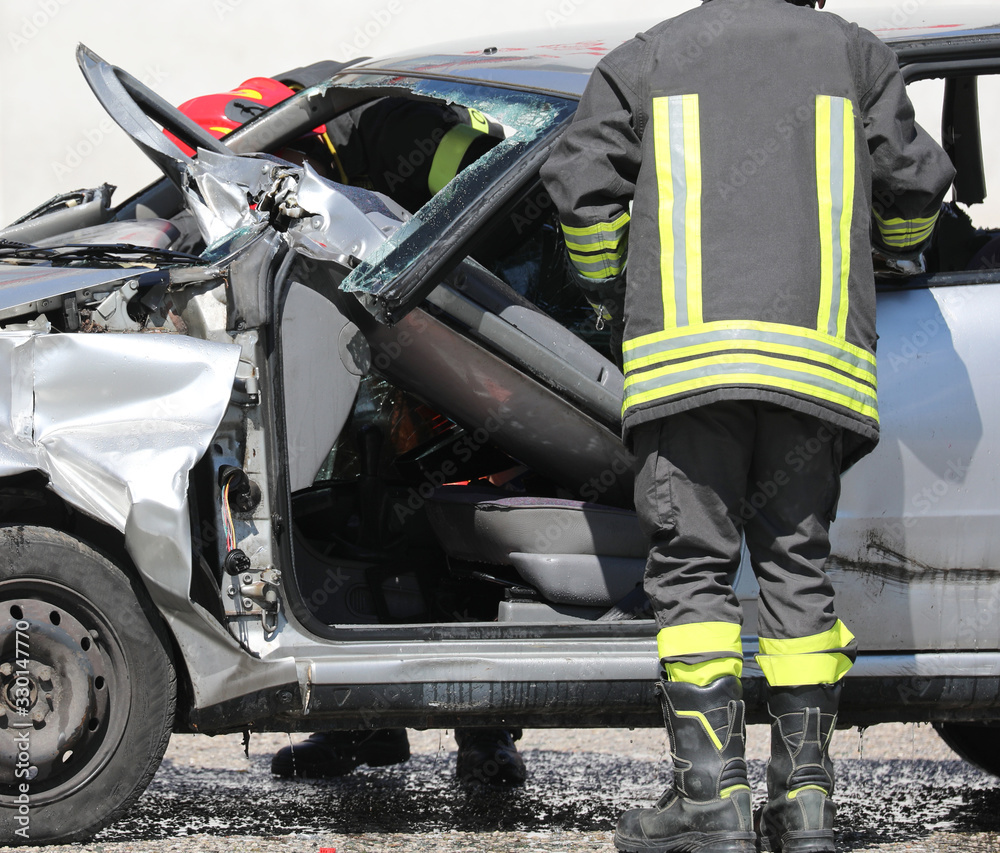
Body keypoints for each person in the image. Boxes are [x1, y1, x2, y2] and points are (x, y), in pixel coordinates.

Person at [541, 1, 955, 850]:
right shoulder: (855, 54)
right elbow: (916, 189)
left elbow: (583, 194)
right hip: (815, 370)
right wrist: (891, 250)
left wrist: (611, 287)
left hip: (690, 373)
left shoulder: (648, 56)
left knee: (692, 575)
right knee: (797, 569)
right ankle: (803, 806)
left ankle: (710, 802)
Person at [166, 75, 523, 789]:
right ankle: (363, 722)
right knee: (350, 525)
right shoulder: (332, 156)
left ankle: (485, 734)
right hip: (385, 358)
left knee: (451, 530)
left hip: (475, 349)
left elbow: (510, 203)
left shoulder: (397, 136)